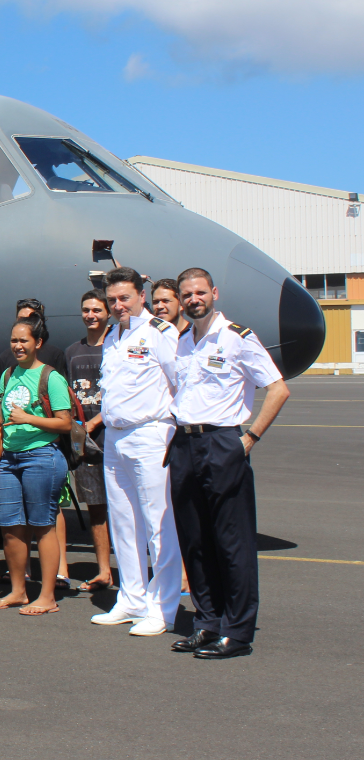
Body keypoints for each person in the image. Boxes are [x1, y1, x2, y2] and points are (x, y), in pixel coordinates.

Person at [166, 267, 289, 659]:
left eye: (200, 292)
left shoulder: (238, 338)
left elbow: (278, 389)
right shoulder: (183, 341)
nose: (193, 300)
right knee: (195, 540)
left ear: (214, 293)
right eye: (186, 295)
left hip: (222, 442)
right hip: (184, 442)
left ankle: (237, 632)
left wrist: (248, 438)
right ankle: (207, 622)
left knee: (231, 542)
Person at [90, 266, 182, 636]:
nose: (117, 305)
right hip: (116, 436)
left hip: (150, 434)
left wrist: (172, 432)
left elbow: (181, 382)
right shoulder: (112, 335)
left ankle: (163, 608)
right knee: (124, 523)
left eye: (124, 298)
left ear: (142, 296)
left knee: (159, 524)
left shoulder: (161, 333)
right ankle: (131, 598)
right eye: (112, 300)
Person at [0, 317, 72, 614]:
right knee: (11, 527)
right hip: (10, 459)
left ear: (38, 343)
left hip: (42, 456)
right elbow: (0, 422)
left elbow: (65, 423)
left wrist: (30, 419)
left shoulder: (51, 377)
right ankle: (18, 591)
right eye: (14, 340)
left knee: (42, 526)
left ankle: (47, 596)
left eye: (24, 340)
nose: (18, 345)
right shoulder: (8, 374)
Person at [64, 290, 113, 591]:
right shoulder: (73, 352)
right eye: (86, 310)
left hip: (113, 438)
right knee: (96, 507)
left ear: (108, 313)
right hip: (86, 444)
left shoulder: (117, 348)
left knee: (128, 509)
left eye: (97, 309)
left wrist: (93, 423)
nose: (91, 315)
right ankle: (104, 571)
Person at [0, 298, 68, 377]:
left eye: (30, 319)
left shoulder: (55, 355)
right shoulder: (5, 358)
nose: (25, 323)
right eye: (21, 319)